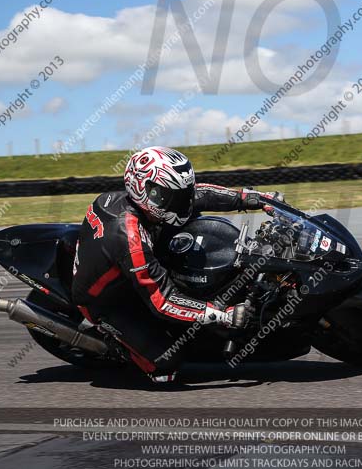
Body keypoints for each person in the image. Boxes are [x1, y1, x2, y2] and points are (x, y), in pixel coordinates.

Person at [71, 146, 281, 382]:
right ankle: (109, 337)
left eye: (182, 194)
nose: (182, 202)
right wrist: (222, 315)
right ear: (142, 189)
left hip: (126, 264)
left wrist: (252, 198)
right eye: (169, 196)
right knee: (167, 366)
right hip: (109, 300)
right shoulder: (130, 236)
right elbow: (163, 301)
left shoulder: (155, 206)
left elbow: (200, 194)